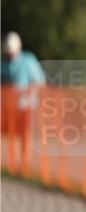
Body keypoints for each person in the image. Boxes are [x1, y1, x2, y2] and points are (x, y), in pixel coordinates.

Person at [1, 32, 46, 173]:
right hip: (9, 107)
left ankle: (25, 165)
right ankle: (11, 164)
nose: (10, 56)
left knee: (25, 134)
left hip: (26, 106)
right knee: (9, 134)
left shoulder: (28, 61)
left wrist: (27, 93)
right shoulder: (3, 65)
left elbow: (39, 82)